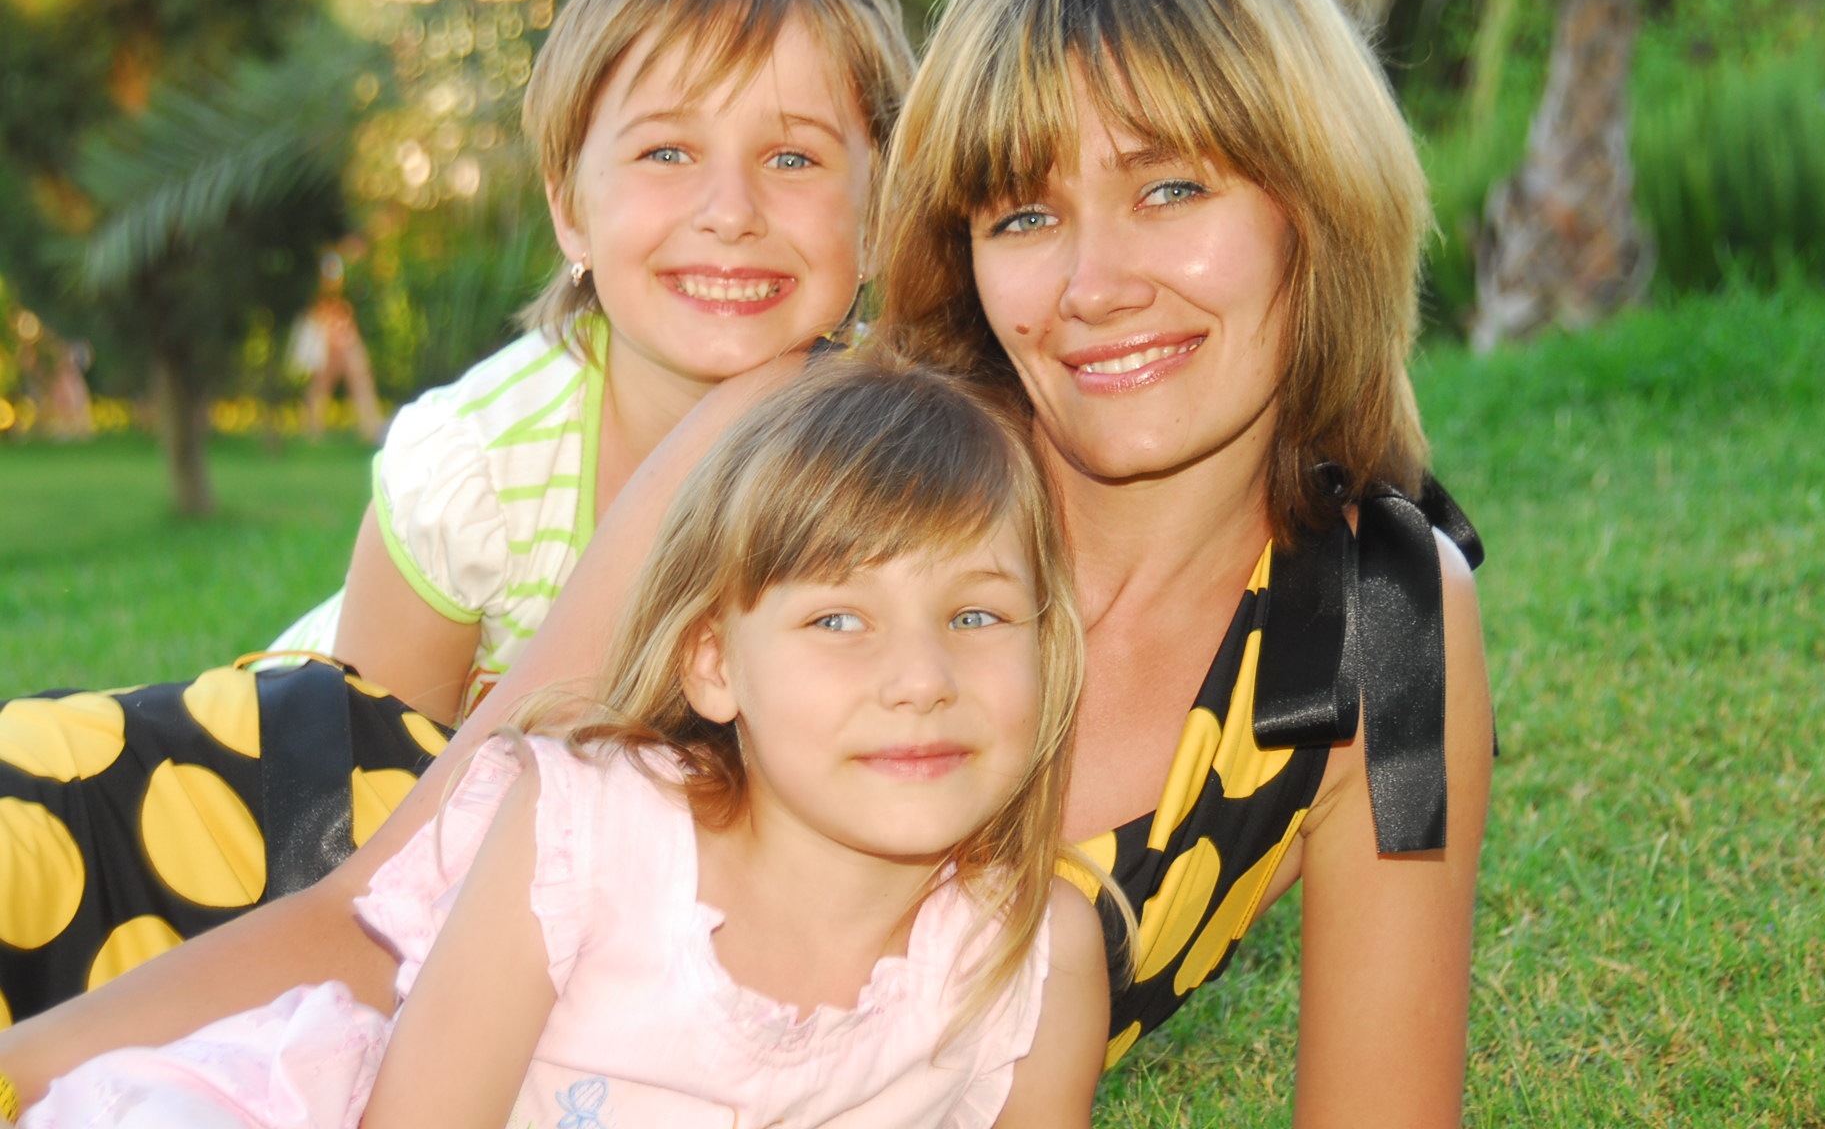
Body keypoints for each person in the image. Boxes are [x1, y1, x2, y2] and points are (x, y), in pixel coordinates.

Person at [1, 0, 1490, 1127]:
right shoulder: (802, 449)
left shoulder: (1382, 632)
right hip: (251, 868)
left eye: (1173, 190)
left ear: (1316, 199)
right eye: (1027, 213)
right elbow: (379, 918)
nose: (1096, 284)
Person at [0, 0, 911, 1024]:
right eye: (667, 152)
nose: (730, 211)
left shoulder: (918, 469)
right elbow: (350, 796)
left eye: (793, 157)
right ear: (570, 208)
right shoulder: (480, 465)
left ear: (877, 213)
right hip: (302, 826)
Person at [14, 360, 1112, 1129]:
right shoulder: (588, 837)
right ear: (714, 664)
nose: (921, 678)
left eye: (976, 615)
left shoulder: (1032, 956)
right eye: (837, 620)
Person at [290, 242, 384, 444]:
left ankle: (369, 427)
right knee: (323, 385)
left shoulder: (344, 273)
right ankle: (315, 429)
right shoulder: (326, 275)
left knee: (355, 379)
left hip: (340, 338)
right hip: (328, 338)